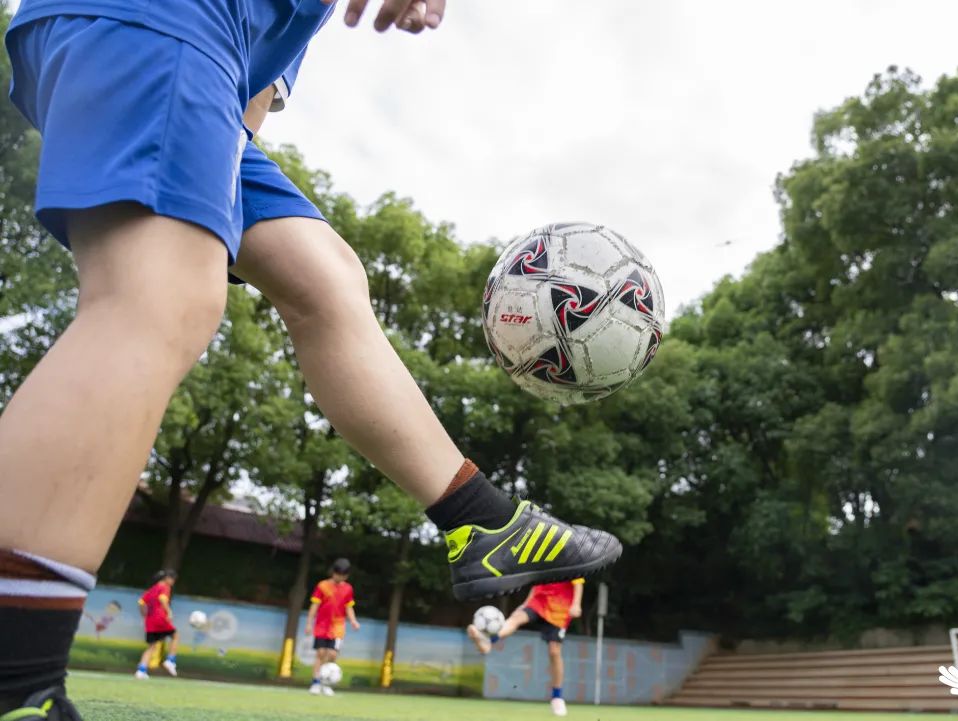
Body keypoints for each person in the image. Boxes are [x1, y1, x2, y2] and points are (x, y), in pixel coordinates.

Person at [0, 0, 623, 716]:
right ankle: (16, 681)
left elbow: (251, 105)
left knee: (324, 277)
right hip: (162, 17)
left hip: (203, 59)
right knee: (158, 295)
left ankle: (480, 522)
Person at [468, 579, 584, 717]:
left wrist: (576, 604)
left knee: (554, 651)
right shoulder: (540, 558)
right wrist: (525, 604)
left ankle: (557, 697)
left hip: (560, 606)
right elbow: (537, 580)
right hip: (539, 600)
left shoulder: (569, 557)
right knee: (516, 618)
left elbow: (578, 582)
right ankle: (488, 641)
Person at [305, 559, 360, 697]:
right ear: (333, 572)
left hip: (337, 627)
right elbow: (315, 606)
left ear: (346, 576)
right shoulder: (322, 586)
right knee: (321, 653)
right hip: (322, 626)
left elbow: (349, 607)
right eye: (337, 574)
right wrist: (309, 623)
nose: (339, 577)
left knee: (333, 654)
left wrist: (353, 621)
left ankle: (327, 684)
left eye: (342, 575)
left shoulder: (348, 589)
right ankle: (316, 682)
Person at [134, 570, 179, 680]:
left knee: (151, 646)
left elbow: (140, 602)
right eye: (172, 578)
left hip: (150, 620)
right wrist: (168, 611)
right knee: (175, 636)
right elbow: (162, 598)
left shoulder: (152, 589)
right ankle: (170, 661)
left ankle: (141, 671)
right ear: (167, 578)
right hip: (160, 618)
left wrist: (144, 614)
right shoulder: (165, 587)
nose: (173, 581)